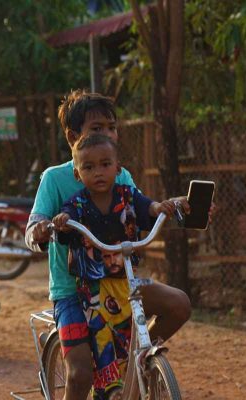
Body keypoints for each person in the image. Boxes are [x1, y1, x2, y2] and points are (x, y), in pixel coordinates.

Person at [25, 90, 192, 400]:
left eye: (112, 127)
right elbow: (32, 227)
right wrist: (42, 230)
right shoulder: (55, 179)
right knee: (80, 373)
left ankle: (135, 357)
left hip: (121, 281)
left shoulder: (121, 174)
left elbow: (142, 208)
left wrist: (175, 208)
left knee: (179, 304)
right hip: (74, 289)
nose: (107, 134)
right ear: (73, 136)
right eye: (97, 128)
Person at [52, 134, 177, 398]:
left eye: (105, 164)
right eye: (89, 167)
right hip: (92, 289)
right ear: (77, 174)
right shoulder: (75, 205)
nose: (98, 172)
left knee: (127, 339)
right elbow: (65, 226)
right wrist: (63, 220)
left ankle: (134, 373)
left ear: (117, 168)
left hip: (126, 283)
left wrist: (158, 207)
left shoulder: (127, 195)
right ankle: (109, 389)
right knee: (102, 344)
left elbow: (146, 207)